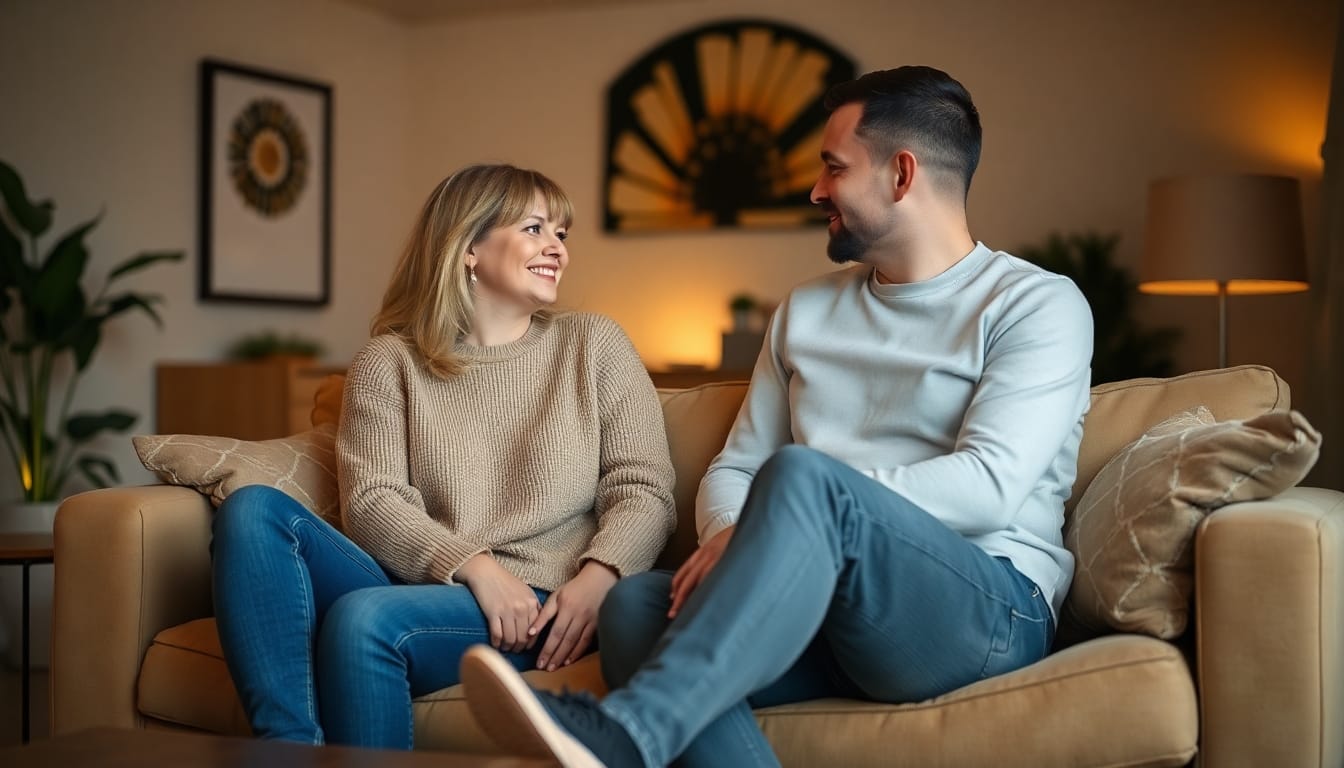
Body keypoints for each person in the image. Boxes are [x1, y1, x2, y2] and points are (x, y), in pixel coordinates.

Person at [459, 66, 1094, 767]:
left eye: (833, 167)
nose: (816, 189)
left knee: (804, 478)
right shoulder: (807, 310)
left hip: (984, 605)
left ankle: (626, 733)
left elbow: (989, 486)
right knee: (636, 610)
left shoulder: (1036, 304)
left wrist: (796, 510)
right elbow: (737, 464)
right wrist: (741, 535)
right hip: (827, 609)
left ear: (901, 175)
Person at [210, 164, 677, 749]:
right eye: (535, 228)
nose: (557, 248)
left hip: (539, 601)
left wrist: (600, 576)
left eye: (562, 233)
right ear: (469, 249)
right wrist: (474, 566)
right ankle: (289, 752)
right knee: (251, 510)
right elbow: (373, 501)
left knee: (363, 620)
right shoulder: (389, 361)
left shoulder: (593, 344)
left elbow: (646, 488)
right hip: (423, 579)